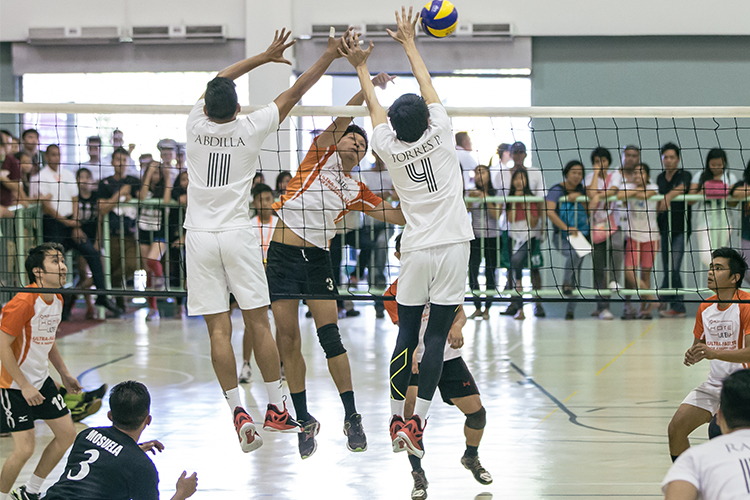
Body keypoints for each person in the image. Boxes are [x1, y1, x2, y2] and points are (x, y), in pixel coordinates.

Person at [184, 28, 353, 452]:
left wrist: (261, 56)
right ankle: (277, 408)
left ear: (207, 104)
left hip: (199, 236)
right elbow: (297, 90)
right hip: (238, 234)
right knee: (258, 321)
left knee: (218, 331)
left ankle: (237, 412)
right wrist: (330, 55)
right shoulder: (250, 127)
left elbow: (219, 79)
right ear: (239, 107)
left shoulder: (194, 121)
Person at [340, 8, 474, 460]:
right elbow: (427, 85)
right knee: (434, 338)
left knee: (405, 338)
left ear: (395, 130)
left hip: (415, 249)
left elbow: (375, 108)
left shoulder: (388, 148)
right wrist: (410, 43)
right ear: (426, 119)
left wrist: (360, 65)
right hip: (453, 245)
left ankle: (398, 416)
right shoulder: (441, 132)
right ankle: (419, 425)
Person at [269, 69, 403, 458]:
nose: (356, 145)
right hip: (281, 256)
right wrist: (368, 86)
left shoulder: (355, 189)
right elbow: (343, 117)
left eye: (362, 146)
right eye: (352, 139)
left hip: (318, 261)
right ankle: (303, 417)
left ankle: (352, 416)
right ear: (337, 141)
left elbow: (392, 216)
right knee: (288, 340)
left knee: (331, 338)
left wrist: (426, 204)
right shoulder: (318, 157)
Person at [384, 234, 492, 500]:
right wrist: (408, 355)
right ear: (399, 256)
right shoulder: (393, 293)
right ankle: (418, 475)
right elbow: (405, 330)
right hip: (416, 362)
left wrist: (456, 326)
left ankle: (471, 457)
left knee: (477, 414)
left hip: (448, 357)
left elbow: (459, 312)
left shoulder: (441, 278)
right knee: (410, 423)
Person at [0, 243, 80, 500]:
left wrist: (64, 374)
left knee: (67, 434)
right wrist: (23, 385)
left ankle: (30, 491)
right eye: (55, 262)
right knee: (25, 449)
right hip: (12, 385)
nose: (63, 266)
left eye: (63, 260)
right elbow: (2, 344)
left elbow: (47, 338)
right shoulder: (23, 301)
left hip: (40, 380)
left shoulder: (56, 297)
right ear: (38, 271)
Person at [42, 381, 198, 500]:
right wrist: (181, 493)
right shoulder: (142, 466)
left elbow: (103, 460)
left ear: (110, 415)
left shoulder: (86, 435)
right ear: (148, 420)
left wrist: (131, 451)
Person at [667, 247, 750, 462]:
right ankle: (692, 482)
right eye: (711, 267)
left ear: (735, 277)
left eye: (719, 268)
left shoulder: (746, 305)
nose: (711, 272)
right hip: (715, 384)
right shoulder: (705, 307)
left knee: (717, 430)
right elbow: (699, 346)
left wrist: (713, 352)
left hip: (744, 385)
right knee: (676, 429)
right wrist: (693, 354)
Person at [30, 144, 120, 317]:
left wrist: (75, 224)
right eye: (53, 155)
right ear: (47, 157)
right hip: (53, 225)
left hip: (72, 223)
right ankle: (60, 305)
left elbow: (74, 199)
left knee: (92, 253)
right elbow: (47, 207)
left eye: (59, 154)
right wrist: (67, 222)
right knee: (53, 265)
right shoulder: (41, 177)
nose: (56, 158)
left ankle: (101, 295)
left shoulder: (69, 174)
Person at [662, 369, 750, 500]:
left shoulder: (695, 458)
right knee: (676, 428)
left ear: (718, 416)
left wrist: (713, 353)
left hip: (735, 386)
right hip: (719, 384)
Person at [494, 142, 546, 318]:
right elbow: (502, 206)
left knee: (534, 267)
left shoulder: (535, 173)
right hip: (509, 231)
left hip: (531, 234)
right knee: (511, 266)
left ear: (524, 154)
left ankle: (538, 304)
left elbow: (540, 204)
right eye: (514, 152)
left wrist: (543, 229)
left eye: (520, 152)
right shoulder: (504, 175)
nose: (517, 155)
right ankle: (515, 304)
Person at [238, 183, 278, 384]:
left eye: (269, 199)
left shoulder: (279, 223)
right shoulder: (248, 224)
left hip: (276, 278)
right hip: (254, 278)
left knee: (281, 322)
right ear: (254, 202)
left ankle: (280, 365)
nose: (265, 203)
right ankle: (246, 364)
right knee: (253, 324)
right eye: (261, 199)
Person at [545, 160, 590, 320]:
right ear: (566, 173)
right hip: (561, 236)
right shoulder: (556, 190)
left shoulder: (583, 191)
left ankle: (571, 309)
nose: (577, 176)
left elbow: (591, 207)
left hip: (579, 236)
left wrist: (580, 196)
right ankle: (566, 284)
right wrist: (566, 228)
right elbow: (549, 211)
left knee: (576, 270)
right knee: (573, 255)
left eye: (580, 173)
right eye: (574, 172)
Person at [617, 163, 659, 319]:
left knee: (646, 273)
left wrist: (633, 193)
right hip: (633, 236)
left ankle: (644, 310)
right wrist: (634, 192)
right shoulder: (627, 186)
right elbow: (620, 196)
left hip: (651, 236)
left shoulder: (654, 185)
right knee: (629, 272)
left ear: (647, 175)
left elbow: (648, 195)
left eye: (641, 173)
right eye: (635, 173)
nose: (637, 176)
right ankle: (652, 299)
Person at [585, 146, 623, 320]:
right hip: (596, 228)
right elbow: (591, 193)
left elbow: (613, 191)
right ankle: (602, 306)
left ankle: (615, 280)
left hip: (613, 224)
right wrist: (595, 175)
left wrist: (598, 197)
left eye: (604, 160)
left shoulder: (615, 175)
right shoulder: (589, 178)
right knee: (598, 267)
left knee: (616, 248)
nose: (601, 164)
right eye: (597, 161)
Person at [656, 143, 691, 318]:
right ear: (662, 159)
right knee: (667, 267)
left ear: (678, 159)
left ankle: (676, 305)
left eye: (672, 157)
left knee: (674, 267)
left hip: (680, 228)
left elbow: (683, 187)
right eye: (666, 157)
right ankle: (666, 302)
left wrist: (668, 197)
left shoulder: (684, 175)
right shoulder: (659, 178)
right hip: (663, 228)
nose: (668, 160)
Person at [137, 161, 173, 321]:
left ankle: (162, 282)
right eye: (153, 172)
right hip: (144, 230)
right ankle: (152, 308)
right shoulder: (144, 187)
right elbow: (142, 197)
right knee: (147, 271)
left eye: (157, 173)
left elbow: (166, 201)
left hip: (159, 231)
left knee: (153, 261)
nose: (155, 176)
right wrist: (149, 173)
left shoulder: (162, 189)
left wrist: (167, 177)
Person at [689, 148, 738, 266]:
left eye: (719, 165)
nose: (716, 167)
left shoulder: (730, 177)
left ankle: (718, 281)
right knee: (706, 257)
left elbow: (733, 203)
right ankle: (716, 278)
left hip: (724, 221)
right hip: (704, 221)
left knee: (720, 255)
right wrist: (703, 191)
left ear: (724, 163)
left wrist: (726, 193)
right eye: (713, 164)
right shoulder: (700, 176)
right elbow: (690, 200)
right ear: (708, 163)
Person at [505, 169, 541, 321]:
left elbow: (533, 222)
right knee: (514, 267)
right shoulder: (509, 199)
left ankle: (535, 305)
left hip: (529, 238)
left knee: (518, 262)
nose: (519, 181)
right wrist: (514, 201)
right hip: (514, 237)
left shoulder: (532, 199)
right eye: (516, 178)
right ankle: (520, 309)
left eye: (522, 178)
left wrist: (525, 202)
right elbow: (510, 219)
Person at [467, 165, 501, 320]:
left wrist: (485, 197)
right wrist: (469, 199)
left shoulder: (496, 194)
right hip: (475, 237)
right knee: (472, 271)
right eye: (477, 173)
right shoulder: (471, 193)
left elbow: (496, 215)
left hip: (492, 237)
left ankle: (487, 308)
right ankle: (477, 307)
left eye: (483, 172)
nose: (479, 176)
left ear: (489, 175)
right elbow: (464, 212)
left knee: (490, 272)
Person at [68, 168, 100, 320]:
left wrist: (99, 241)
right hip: (81, 238)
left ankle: (74, 293)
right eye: (81, 177)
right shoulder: (75, 197)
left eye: (87, 177)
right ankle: (90, 306)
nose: (84, 180)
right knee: (83, 270)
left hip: (95, 237)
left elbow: (100, 219)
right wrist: (76, 228)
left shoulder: (96, 196)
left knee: (101, 271)